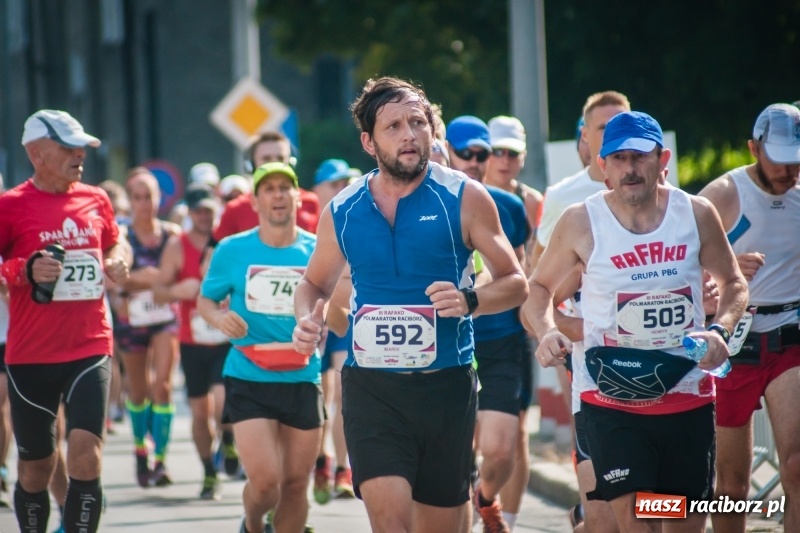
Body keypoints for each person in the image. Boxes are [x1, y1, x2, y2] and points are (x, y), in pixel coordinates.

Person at [293, 76, 528, 533]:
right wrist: (307, 318)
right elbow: (313, 284)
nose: (409, 135)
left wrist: (470, 299)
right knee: (391, 521)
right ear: (368, 141)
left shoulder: (464, 197)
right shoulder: (343, 209)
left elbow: (516, 283)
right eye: (394, 126)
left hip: (446, 389)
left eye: (418, 122)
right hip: (373, 391)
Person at [524, 110, 748, 533]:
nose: (630, 168)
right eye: (619, 158)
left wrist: (721, 330)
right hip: (611, 397)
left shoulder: (696, 214)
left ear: (662, 160)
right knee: (634, 519)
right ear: (603, 167)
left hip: (686, 393)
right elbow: (537, 290)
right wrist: (547, 330)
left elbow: (733, 282)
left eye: (639, 156)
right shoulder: (580, 221)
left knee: (681, 520)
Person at [0, 109, 131, 533]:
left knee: (86, 453)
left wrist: (118, 261)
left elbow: (115, 242)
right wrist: (23, 270)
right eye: (68, 148)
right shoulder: (11, 206)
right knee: (36, 467)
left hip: (90, 343)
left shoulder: (96, 198)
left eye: (82, 149)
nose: (80, 156)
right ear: (36, 153)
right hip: (32, 352)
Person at [198, 162, 322, 533]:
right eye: (269, 189)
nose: (279, 195)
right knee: (267, 482)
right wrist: (220, 320)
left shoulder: (317, 251)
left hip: (303, 374)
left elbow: (334, 301)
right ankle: (252, 522)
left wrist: (323, 318)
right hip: (249, 375)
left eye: (286, 187)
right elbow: (205, 301)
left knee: (297, 484)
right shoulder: (232, 249)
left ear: (298, 196)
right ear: (255, 201)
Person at [529, 91, 631, 532]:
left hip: (663, 365)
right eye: (604, 128)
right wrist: (557, 331)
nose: (614, 137)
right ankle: (594, 511)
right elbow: (541, 279)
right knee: (608, 485)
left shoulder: (668, 197)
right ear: (585, 137)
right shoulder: (565, 198)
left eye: (623, 125)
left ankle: (591, 517)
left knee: (667, 505)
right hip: (587, 349)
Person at [698, 102, 800, 533]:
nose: (788, 171)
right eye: (779, 158)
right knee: (732, 484)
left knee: (796, 467)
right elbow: (678, 263)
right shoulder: (722, 195)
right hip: (732, 344)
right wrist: (726, 268)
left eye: (796, 159)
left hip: (789, 338)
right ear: (754, 149)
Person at [446, 115, 529, 533]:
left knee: (499, 451)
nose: (478, 161)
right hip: (449, 343)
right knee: (455, 457)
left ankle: (485, 499)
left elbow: (520, 272)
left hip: (500, 339)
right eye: (468, 153)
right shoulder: (433, 206)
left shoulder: (509, 206)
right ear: (446, 151)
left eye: (485, 153)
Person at [152, 182, 237, 500]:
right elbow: (159, 291)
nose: (204, 216)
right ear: (190, 212)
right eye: (198, 211)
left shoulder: (228, 243)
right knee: (200, 414)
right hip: (192, 341)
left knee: (220, 402)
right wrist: (178, 291)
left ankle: (228, 436)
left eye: (209, 210)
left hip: (226, 336)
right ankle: (209, 472)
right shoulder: (177, 246)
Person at [114, 167, 181, 488]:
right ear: (130, 200)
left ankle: (161, 461)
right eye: (137, 197)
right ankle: (141, 449)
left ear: (159, 198)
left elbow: (179, 275)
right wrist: (154, 278)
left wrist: (139, 281)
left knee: (163, 386)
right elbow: (117, 277)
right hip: (132, 321)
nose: (144, 203)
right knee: (139, 391)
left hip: (166, 318)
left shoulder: (172, 235)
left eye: (149, 196)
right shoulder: (121, 236)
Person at [310, 158, 356, 503]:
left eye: (346, 182)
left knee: (341, 394)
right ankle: (320, 460)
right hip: (309, 318)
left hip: (340, 317)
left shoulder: (356, 217)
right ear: (317, 189)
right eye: (334, 184)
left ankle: (342, 467)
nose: (341, 189)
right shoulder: (308, 222)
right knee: (320, 398)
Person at [214, 131, 320, 240]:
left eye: (280, 158)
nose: (274, 164)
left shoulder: (311, 202)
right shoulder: (235, 209)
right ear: (251, 166)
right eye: (266, 159)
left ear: (291, 163)